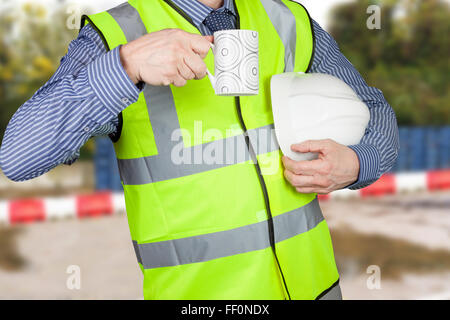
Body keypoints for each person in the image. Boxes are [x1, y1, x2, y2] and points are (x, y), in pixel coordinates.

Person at [0, 0, 399, 300]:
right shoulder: (117, 35)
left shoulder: (288, 20)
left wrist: (360, 161)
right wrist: (124, 66)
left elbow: (374, 108)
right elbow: (19, 155)